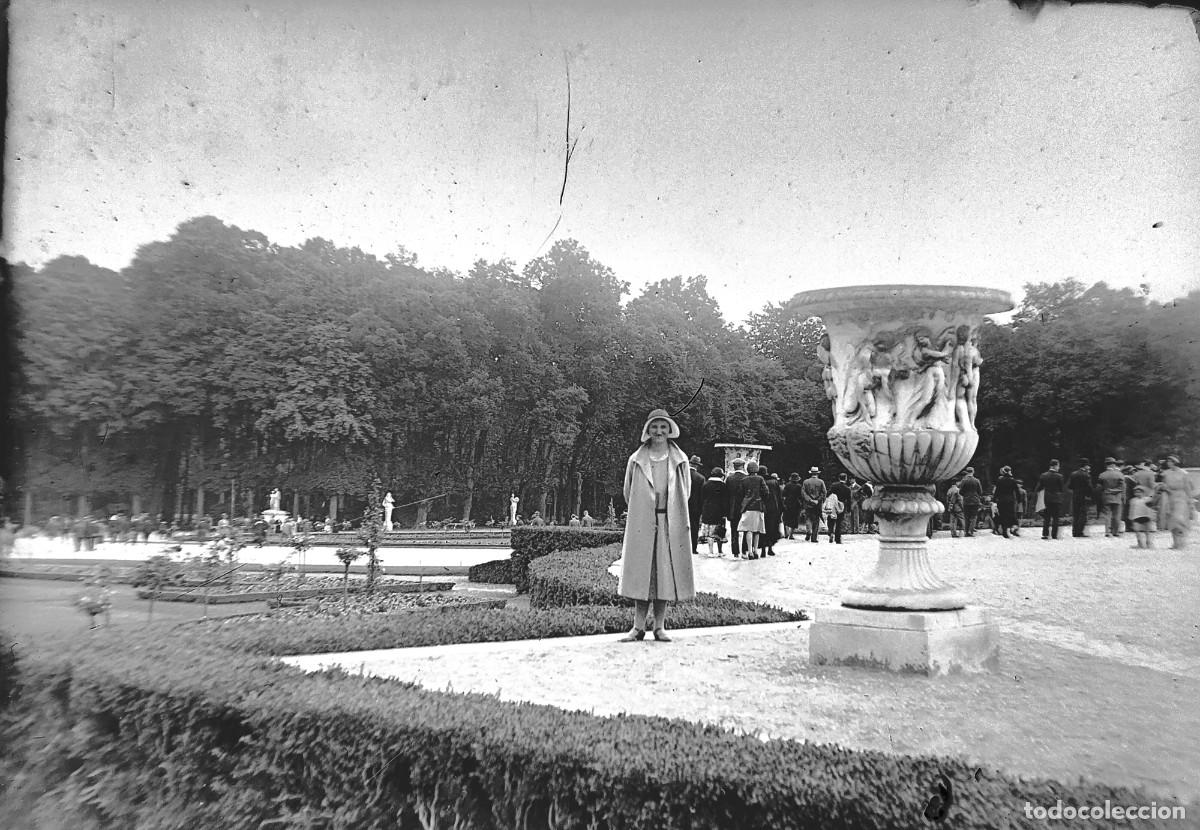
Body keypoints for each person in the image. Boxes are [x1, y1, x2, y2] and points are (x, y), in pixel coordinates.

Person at [617, 409, 695, 642]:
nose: (658, 431)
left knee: (664, 574)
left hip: (668, 522)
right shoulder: (636, 459)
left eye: (663, 427)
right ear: (647, 430)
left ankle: (659, 626)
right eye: (654, 427)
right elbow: (628, 491)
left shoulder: (679, 460)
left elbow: (686, 492)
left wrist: (669, 512)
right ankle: (637, 626)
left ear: (670, 430)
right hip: (643, 522)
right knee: (642, 574)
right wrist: (644, 511)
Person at [1159, 455, 1194, 550]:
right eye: (1167, 462)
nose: (1168, 463)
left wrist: (1190, 500)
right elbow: (1164, 484)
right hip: (1170, 497)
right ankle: (1175, 543)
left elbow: (1188, 487)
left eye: (1170, 462)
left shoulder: (1184, 473)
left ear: (1174, 462)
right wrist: (1164, 488)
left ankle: (1182, 543)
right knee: (1172, 520)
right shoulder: (1166, 473)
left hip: (1181, 497)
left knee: (1179, 519)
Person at [737, 461, 769, 559]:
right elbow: (766, 492)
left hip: (747, 507)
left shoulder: (744, 480)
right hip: (758, 506)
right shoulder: (760, 479)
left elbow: (740, 494)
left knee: (748, 530)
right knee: (757, 530)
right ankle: (755, 550)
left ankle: (749, 551)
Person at [700, 467, 728, 557]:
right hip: (719, 511)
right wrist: (725, 513)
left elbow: (702, 498)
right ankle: (720, 551)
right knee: (719, 532)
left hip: (707, 510)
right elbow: (725, 501)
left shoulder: (706, 484)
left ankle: (711, 551)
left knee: (709, 533)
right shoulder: (723, 486)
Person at [724, 458, 749, 558]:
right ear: (743, 466)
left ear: (734, 467)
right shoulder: (747, 478)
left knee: (734, 530)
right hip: (744, 508)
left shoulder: (729, 479)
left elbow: (726, 496)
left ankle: (735, 552)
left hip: (733, 509)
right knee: (746, 530)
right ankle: (744, 551)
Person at [1035, 459, 1066, 540]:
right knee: (1056, 517)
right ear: (1055, 466)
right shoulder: (1059, 476)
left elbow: (1039, 487)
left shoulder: (1043, 475)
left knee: (1047, 517)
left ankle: (1045, 534)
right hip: (1056, 499)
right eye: (1058, 466)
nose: (1059, 468)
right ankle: (1054, 535)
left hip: (1047, 498)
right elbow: (1061, 489)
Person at [1097, 457, 1126, 538]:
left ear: (1106, 465)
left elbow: (1099, 488)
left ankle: (1107, 532)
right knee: (1117, 515)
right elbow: (1122, 488)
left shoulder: (1102, 475)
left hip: (1106, 496)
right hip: (1117, 497)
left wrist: (1105, 492)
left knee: (1107, 515)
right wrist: (1114, 491)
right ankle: (1115, 532)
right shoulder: (1120, 474)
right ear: (1114, 464)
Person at [992, 466, 1022, 538]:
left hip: (1001, 500)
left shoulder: (1000, 480)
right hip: (1010, 500)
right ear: (1009, 471)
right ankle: (1013, 528)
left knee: (1003, 515)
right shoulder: (1013, 480)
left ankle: (1005, 531)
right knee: (1011, 515)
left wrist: (994, 500)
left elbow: (996, 492)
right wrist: (1019, 500)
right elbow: (1017, 492)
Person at [760, 466, 783, 556]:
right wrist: (780, 509)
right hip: (773, 509)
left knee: (762, 529)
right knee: (771, 529)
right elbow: (779, 497)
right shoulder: (774, 482)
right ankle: (770, 547)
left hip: (762, 508)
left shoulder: (759, 481)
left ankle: (762, 549)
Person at [1067, 459, 1093, 537]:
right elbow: (1089, 487)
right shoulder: (1086, 475)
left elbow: (1070, 486)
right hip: (1083, 496)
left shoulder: (1073, 474)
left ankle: (1074, 532)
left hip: (1075, 496)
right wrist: (1089, 495)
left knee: (1076, 514)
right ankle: (1080, 531)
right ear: (1085, 466)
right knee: (1083, 515)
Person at [801, 467, 827, 543]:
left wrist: (810, 500)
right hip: (817, 505)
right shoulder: (821, 482)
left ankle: (809, 531)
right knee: (816, 520)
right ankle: (814, 538)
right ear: (817, 473)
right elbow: (824, 492)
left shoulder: (806, 482)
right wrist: (818, 500)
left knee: (808, 518)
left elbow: (803, 493)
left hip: (808, 504)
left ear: (811, 473)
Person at [687, 455, 706, 555]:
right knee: (694, 528)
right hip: (695, 507)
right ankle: (693, 548)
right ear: (697, 466)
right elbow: (702, 496)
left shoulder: (681, 475)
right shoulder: (701, 478)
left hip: (682, 506)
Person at [958, 467, 983, 536]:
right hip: (975, 501)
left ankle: (966, 532)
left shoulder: (964, 480)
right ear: (973, 472)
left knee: (966, 517)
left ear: (966, 472)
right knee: (974, 516)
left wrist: (965, 495)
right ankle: (970, 531)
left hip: (966, 500)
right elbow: (980, 491)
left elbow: (960, 492)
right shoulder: (977, 480)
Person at [829, 473, 853, 544]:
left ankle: (830, 532)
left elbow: (828, 493)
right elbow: (849, 500)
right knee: (839, 523)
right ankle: (837, 539)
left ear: (839, 478)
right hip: (841, 506)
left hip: (833, 505)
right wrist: (849, 509)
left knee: (831, 520)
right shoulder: (847, 489)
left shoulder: (834, 485)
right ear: (845, 479)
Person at [782, 472, 804, 540]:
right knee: (794, 519)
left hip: (788, 503)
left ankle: (786, 532)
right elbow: (801, 496)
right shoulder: (799, 486)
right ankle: (791, 534)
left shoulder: (787, 485)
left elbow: (784, 494)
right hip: (796, 504)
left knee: (786, 518)